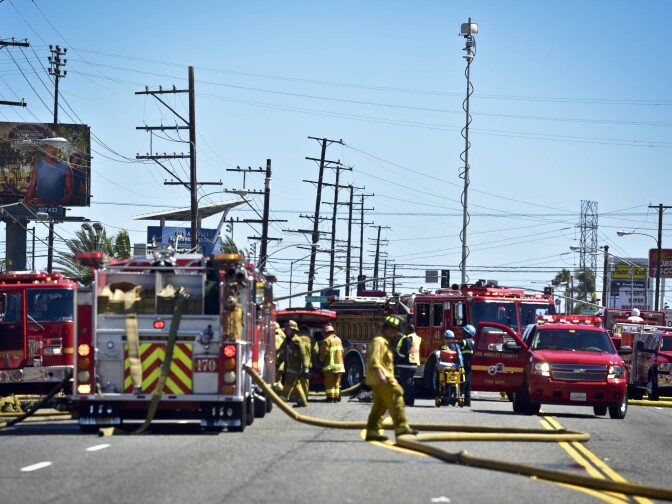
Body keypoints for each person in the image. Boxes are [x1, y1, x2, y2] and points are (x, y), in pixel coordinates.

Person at [365, 315, 418, 442]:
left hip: (381, 379)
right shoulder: (379, 341)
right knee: (397, 399)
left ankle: (372, 432)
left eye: (396, 330)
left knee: (380, 406)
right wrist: (381, 375)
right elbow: (374, 360)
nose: (394, 333)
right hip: (384, 379)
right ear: (385, 328)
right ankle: (402, 429)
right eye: (392, 330)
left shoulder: (385, 342)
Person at [280, 320, 310, 407]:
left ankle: (281, 401)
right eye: (286, 329)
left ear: (294, 330)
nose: (286, 330)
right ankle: (302, 401)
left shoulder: (297, 341)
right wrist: (277, 362)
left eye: (288, 329)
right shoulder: (287, 340)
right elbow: (281, 352)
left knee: (288, 384)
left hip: (295, 367)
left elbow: (303, 355)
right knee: (297, 384)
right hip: (289, 366)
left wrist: (306, 368)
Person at [394, 324, 421, 406]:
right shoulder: (417, 338)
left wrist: (396, 361)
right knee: (410, 383)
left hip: (405, 364)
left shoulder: (407, 339)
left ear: (410, 330)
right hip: (414, 363)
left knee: (406, 383)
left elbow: (403, 353)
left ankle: (407, 401)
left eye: (406, 329)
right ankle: (410, 400)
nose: (405, 331)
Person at [319, 324, 345, 402]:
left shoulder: (326, 340)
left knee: (329, 382)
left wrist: (321, 360)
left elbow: (323, 353)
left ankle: (330, 397)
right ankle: (336, 397)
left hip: (330, 366)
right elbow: (342, 351)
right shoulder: (339, 339)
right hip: (339, 366)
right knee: (336, 382)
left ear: (326, 332)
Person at [459, 324, 476, 407]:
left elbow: (456, 345)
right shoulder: (473, 342)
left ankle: (461, 394)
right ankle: (467, 401)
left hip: (464, 363)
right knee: (468, 381)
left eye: (464, 332)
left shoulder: (464, 341)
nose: (462, 333)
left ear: (468, 334)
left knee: (464, 380)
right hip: (471, 363)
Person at [274, 322, 287, 391]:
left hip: (277, 362)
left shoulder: (275, 338)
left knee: (277, 380)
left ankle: (280, 391)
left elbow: (276, 349)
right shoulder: (283, 337)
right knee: (278, 379)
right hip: (281, 363)